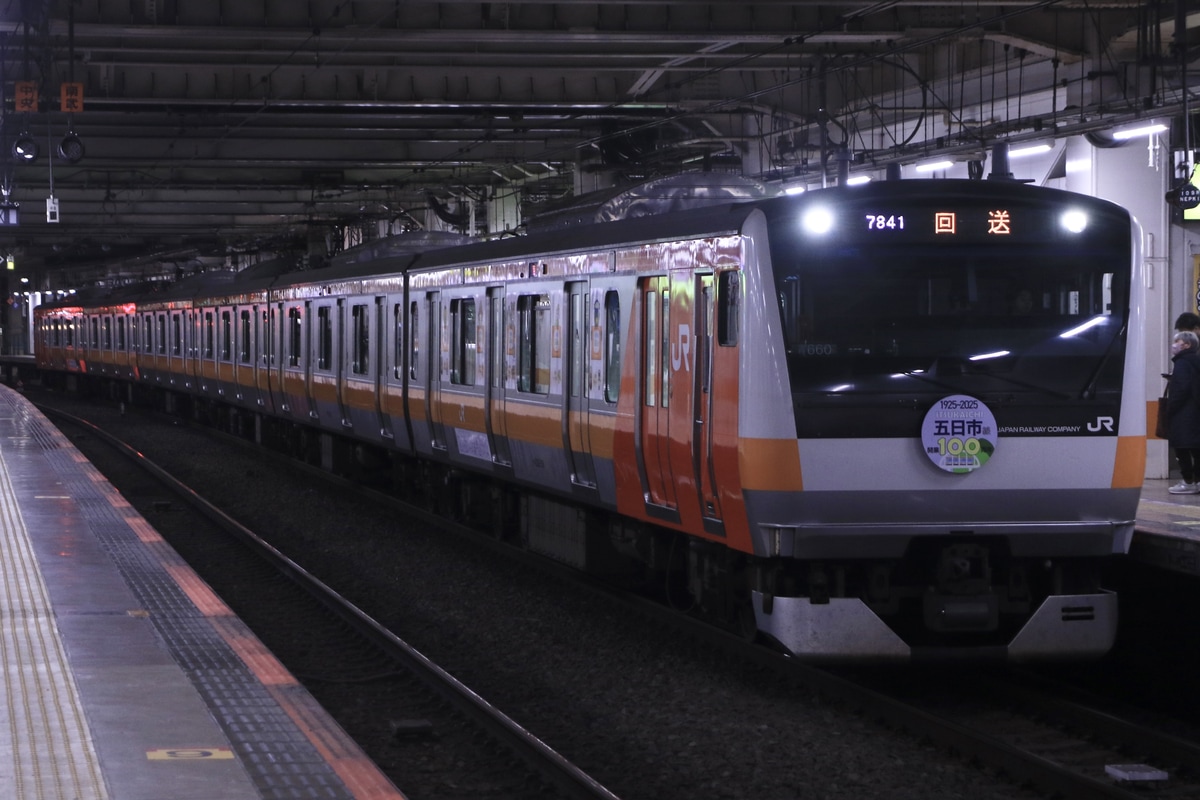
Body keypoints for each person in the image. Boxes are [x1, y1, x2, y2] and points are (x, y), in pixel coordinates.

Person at [1167, 330, 1200, 494]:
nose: (1174, 345)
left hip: (1183, 414)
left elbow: (1181, 388)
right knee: (1196, 448)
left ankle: (1188, 482)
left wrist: (1170, 408)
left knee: (1182, 447)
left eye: (1177, 341)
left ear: (1187, 345)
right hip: (1195, 412)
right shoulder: (1196, 361)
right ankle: (1198, 481)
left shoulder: (1182, 363)